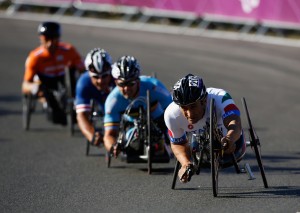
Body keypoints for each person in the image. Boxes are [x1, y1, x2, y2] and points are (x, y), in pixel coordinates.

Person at [164, 73, 246, 183]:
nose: (189, 113)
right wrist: (185, 163)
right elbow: (178, 143)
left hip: (230, 139)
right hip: (198, 146)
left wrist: (230, 139)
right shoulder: (171, 114)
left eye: (193, 106)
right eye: (184, 108)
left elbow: (235, 123)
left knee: (229, 150)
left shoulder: (221, 97)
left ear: (204, 100)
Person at [103, 55, 172, 157]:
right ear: (116, 83)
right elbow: (109, 134)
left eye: (130, 83)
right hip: (130, 123)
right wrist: (113, 147)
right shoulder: (112, 100)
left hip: (156, 116)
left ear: (138, 80)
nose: (126, 88)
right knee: (129, 137)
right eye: (122, 84)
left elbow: (173, 111)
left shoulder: (154, 87)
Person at [22, 21, 85, 125]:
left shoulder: (68, 50)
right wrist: (35, 88)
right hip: (45, 81)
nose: (50, 43)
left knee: (76, 75)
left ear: (58, 38)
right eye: (46, 39)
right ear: (41, 38)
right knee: (56, 115)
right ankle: (50, 107)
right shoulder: (35, 57)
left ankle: (75, 104)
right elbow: (25, 84)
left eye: (53, 39)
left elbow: (82, 68)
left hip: (63, 77)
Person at [75, 48, 115, 146]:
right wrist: (92, 136)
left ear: (110, 70)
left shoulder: (117, 77)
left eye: (104, 76)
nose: (100, 81)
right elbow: (81, 115)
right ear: (89, 74)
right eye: (96, 77)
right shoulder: (83, 83)